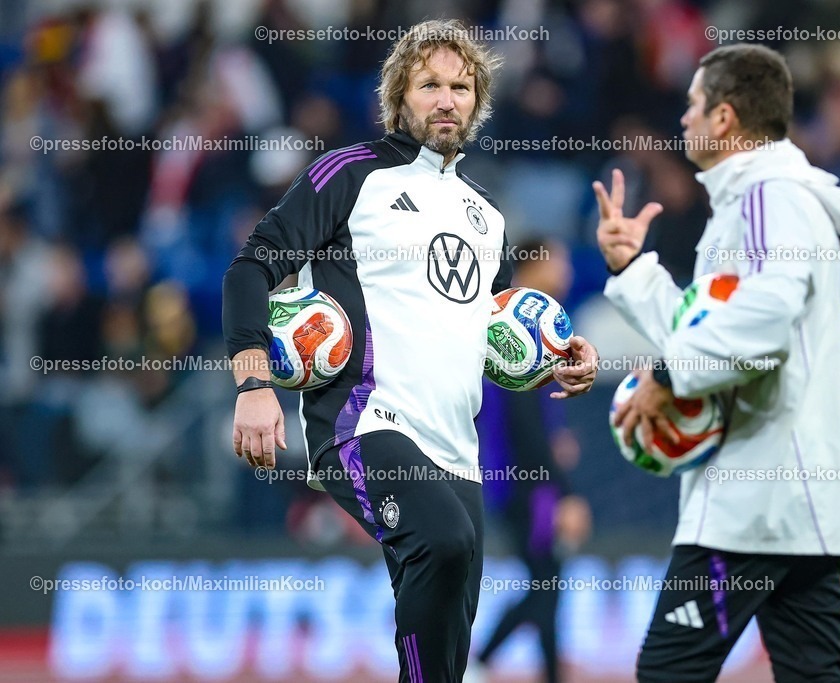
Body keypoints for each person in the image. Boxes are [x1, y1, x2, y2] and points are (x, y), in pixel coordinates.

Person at [221, 19, 598, 683]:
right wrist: (254, 384)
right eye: (430, 84)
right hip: (363, 423)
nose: (447, 99)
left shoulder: (488, 215)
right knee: (444, 545)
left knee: (448, 644)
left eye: (461, 86)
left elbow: (495, 333)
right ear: (400, 95)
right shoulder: (351, 173)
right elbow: (250, 267)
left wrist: (558, 361)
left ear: (478, 102)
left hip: (457, 446)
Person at [595, 44, 840, 681]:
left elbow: (764, 323)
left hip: (757, 498)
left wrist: (665, 376)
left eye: (692, 105)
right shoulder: (753, 202)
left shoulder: (771, 196)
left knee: (669, 673)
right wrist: (633, 271)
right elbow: (712, 331)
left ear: (723, 118)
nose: (682, 119)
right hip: (797, 507)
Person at [472, 237, 592, 683]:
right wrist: (564, 492)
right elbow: (523, 418)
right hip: (527, 483)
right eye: (557, 258)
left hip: (513, 476)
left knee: (547, 582)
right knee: (546, 583)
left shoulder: (511, 317)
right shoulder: (524, 321)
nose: (566, 269)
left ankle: (550, 672)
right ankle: (479, 662)